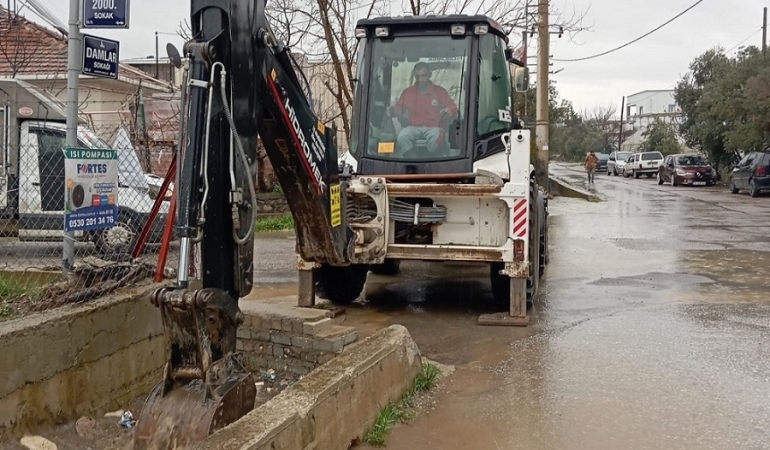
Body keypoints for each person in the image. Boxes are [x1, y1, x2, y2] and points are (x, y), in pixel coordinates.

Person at [390, 62, 458, 154]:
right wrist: (393, 110)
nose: (420, 79)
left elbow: (453, 107)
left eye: (423, 76)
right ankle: (412, 161)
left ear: (429, 75)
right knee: (402, 137)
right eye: (417, 76)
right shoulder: (408, 92)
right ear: (414, 76)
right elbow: (398, 108)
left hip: (434, 128)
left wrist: (450, 111)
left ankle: (429, 161)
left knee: (437, 138)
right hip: (413, 127)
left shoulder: (440, 91)